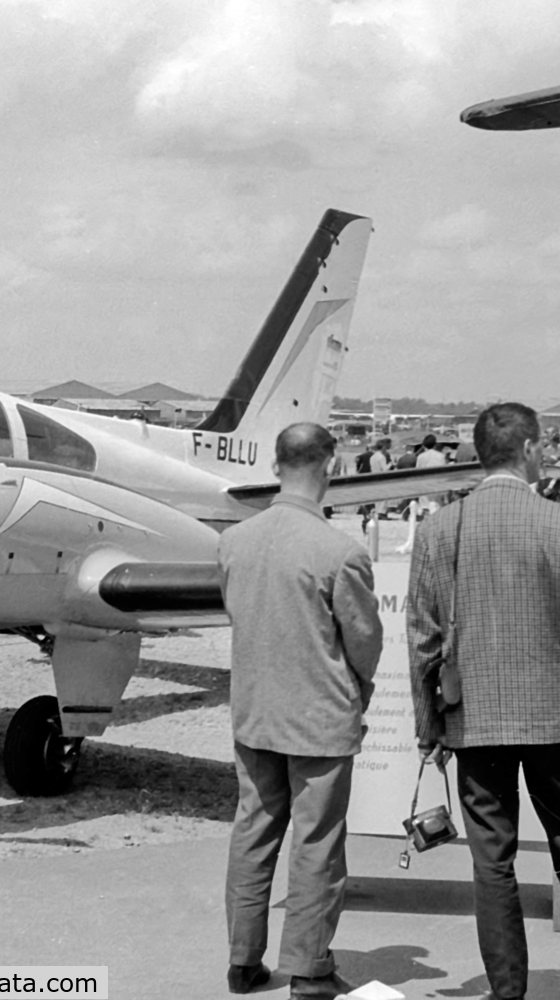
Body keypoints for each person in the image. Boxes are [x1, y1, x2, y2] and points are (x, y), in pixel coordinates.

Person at [408, 403, 560, 1000]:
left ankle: (507, 992)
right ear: (530, 449)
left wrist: (428, 725)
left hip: (474, 722)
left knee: (492, 863)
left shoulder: (440, 529)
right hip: (553, 722)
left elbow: (423, 641)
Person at [219, 422, 382, 999]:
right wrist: (357, 693)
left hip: (256, 714)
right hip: (318, 720)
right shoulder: (339, 550)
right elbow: (364, 642)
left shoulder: (235, 541)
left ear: (276, 465)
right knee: (316, 846)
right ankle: (309, 970)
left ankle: (243, 959)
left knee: (253, 832)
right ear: (330, 467)